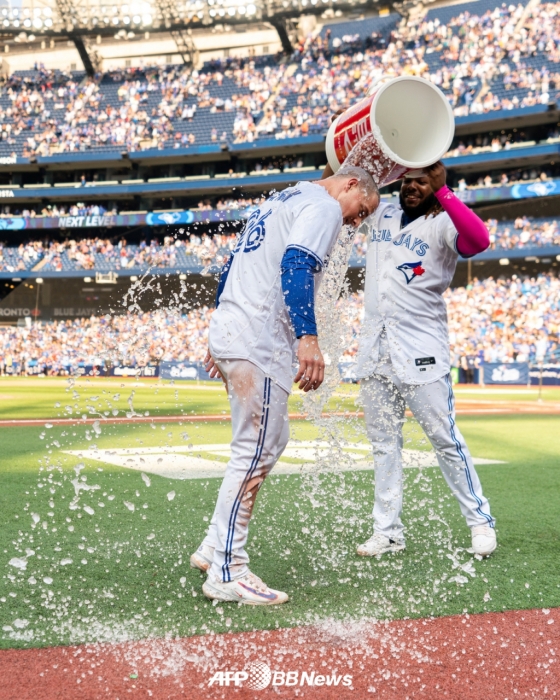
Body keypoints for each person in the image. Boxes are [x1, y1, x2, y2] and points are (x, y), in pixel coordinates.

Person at [190, 166, 380, 605]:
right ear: (350, 184)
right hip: (259, 337)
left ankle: (213, 547)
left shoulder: (283, 198)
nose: (354, 222)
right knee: (256, 449)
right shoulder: (324, 206)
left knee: (265, 442)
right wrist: (307, 339)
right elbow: (297, 264)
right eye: (360, 211)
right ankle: (227, 569)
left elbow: (235, 263)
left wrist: (221, 326)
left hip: (235, 327)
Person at [355, 162, 497, 559]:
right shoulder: (382, 211)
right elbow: (345, 187)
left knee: (445, 440)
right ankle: (387, 531)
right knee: (384, 445)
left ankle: (480, 522)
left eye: (422, 180)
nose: (413, 187)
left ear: (436, 183)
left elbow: (479, 240)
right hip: (375, 350)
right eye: (408, 180)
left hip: (421, 351)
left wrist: (445, 192)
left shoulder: (444, 221)